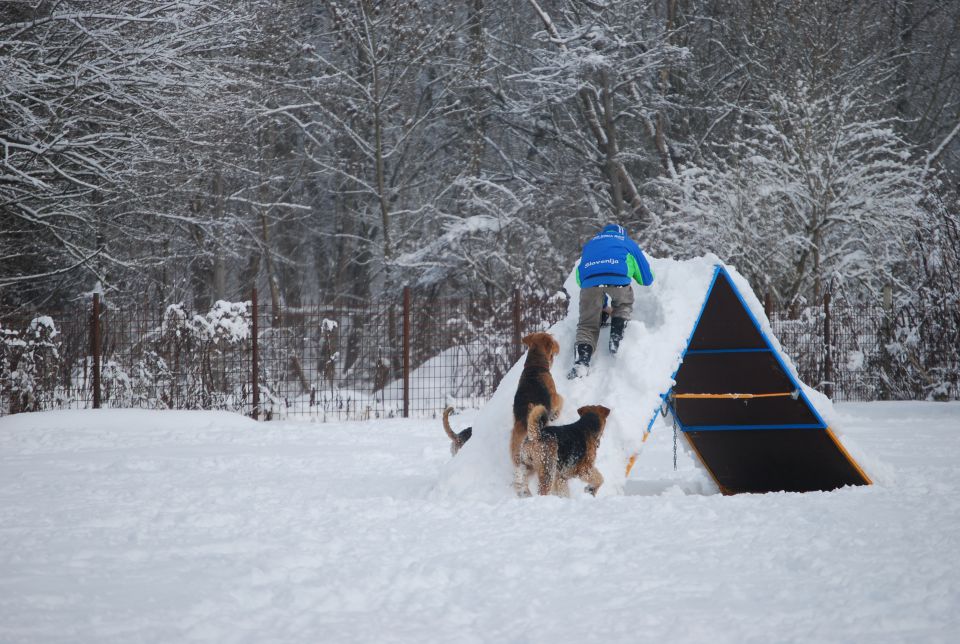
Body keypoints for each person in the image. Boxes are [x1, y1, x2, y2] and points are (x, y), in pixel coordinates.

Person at [568, 223, 654, 379]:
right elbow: (646, 279)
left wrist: (599, 303)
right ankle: (616, 337)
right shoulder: (627, 242)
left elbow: (580, 279)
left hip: (589, 285)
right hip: (618, 280)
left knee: (587, 324)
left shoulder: (591, 244)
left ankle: (581, 363)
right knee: (623, 304)